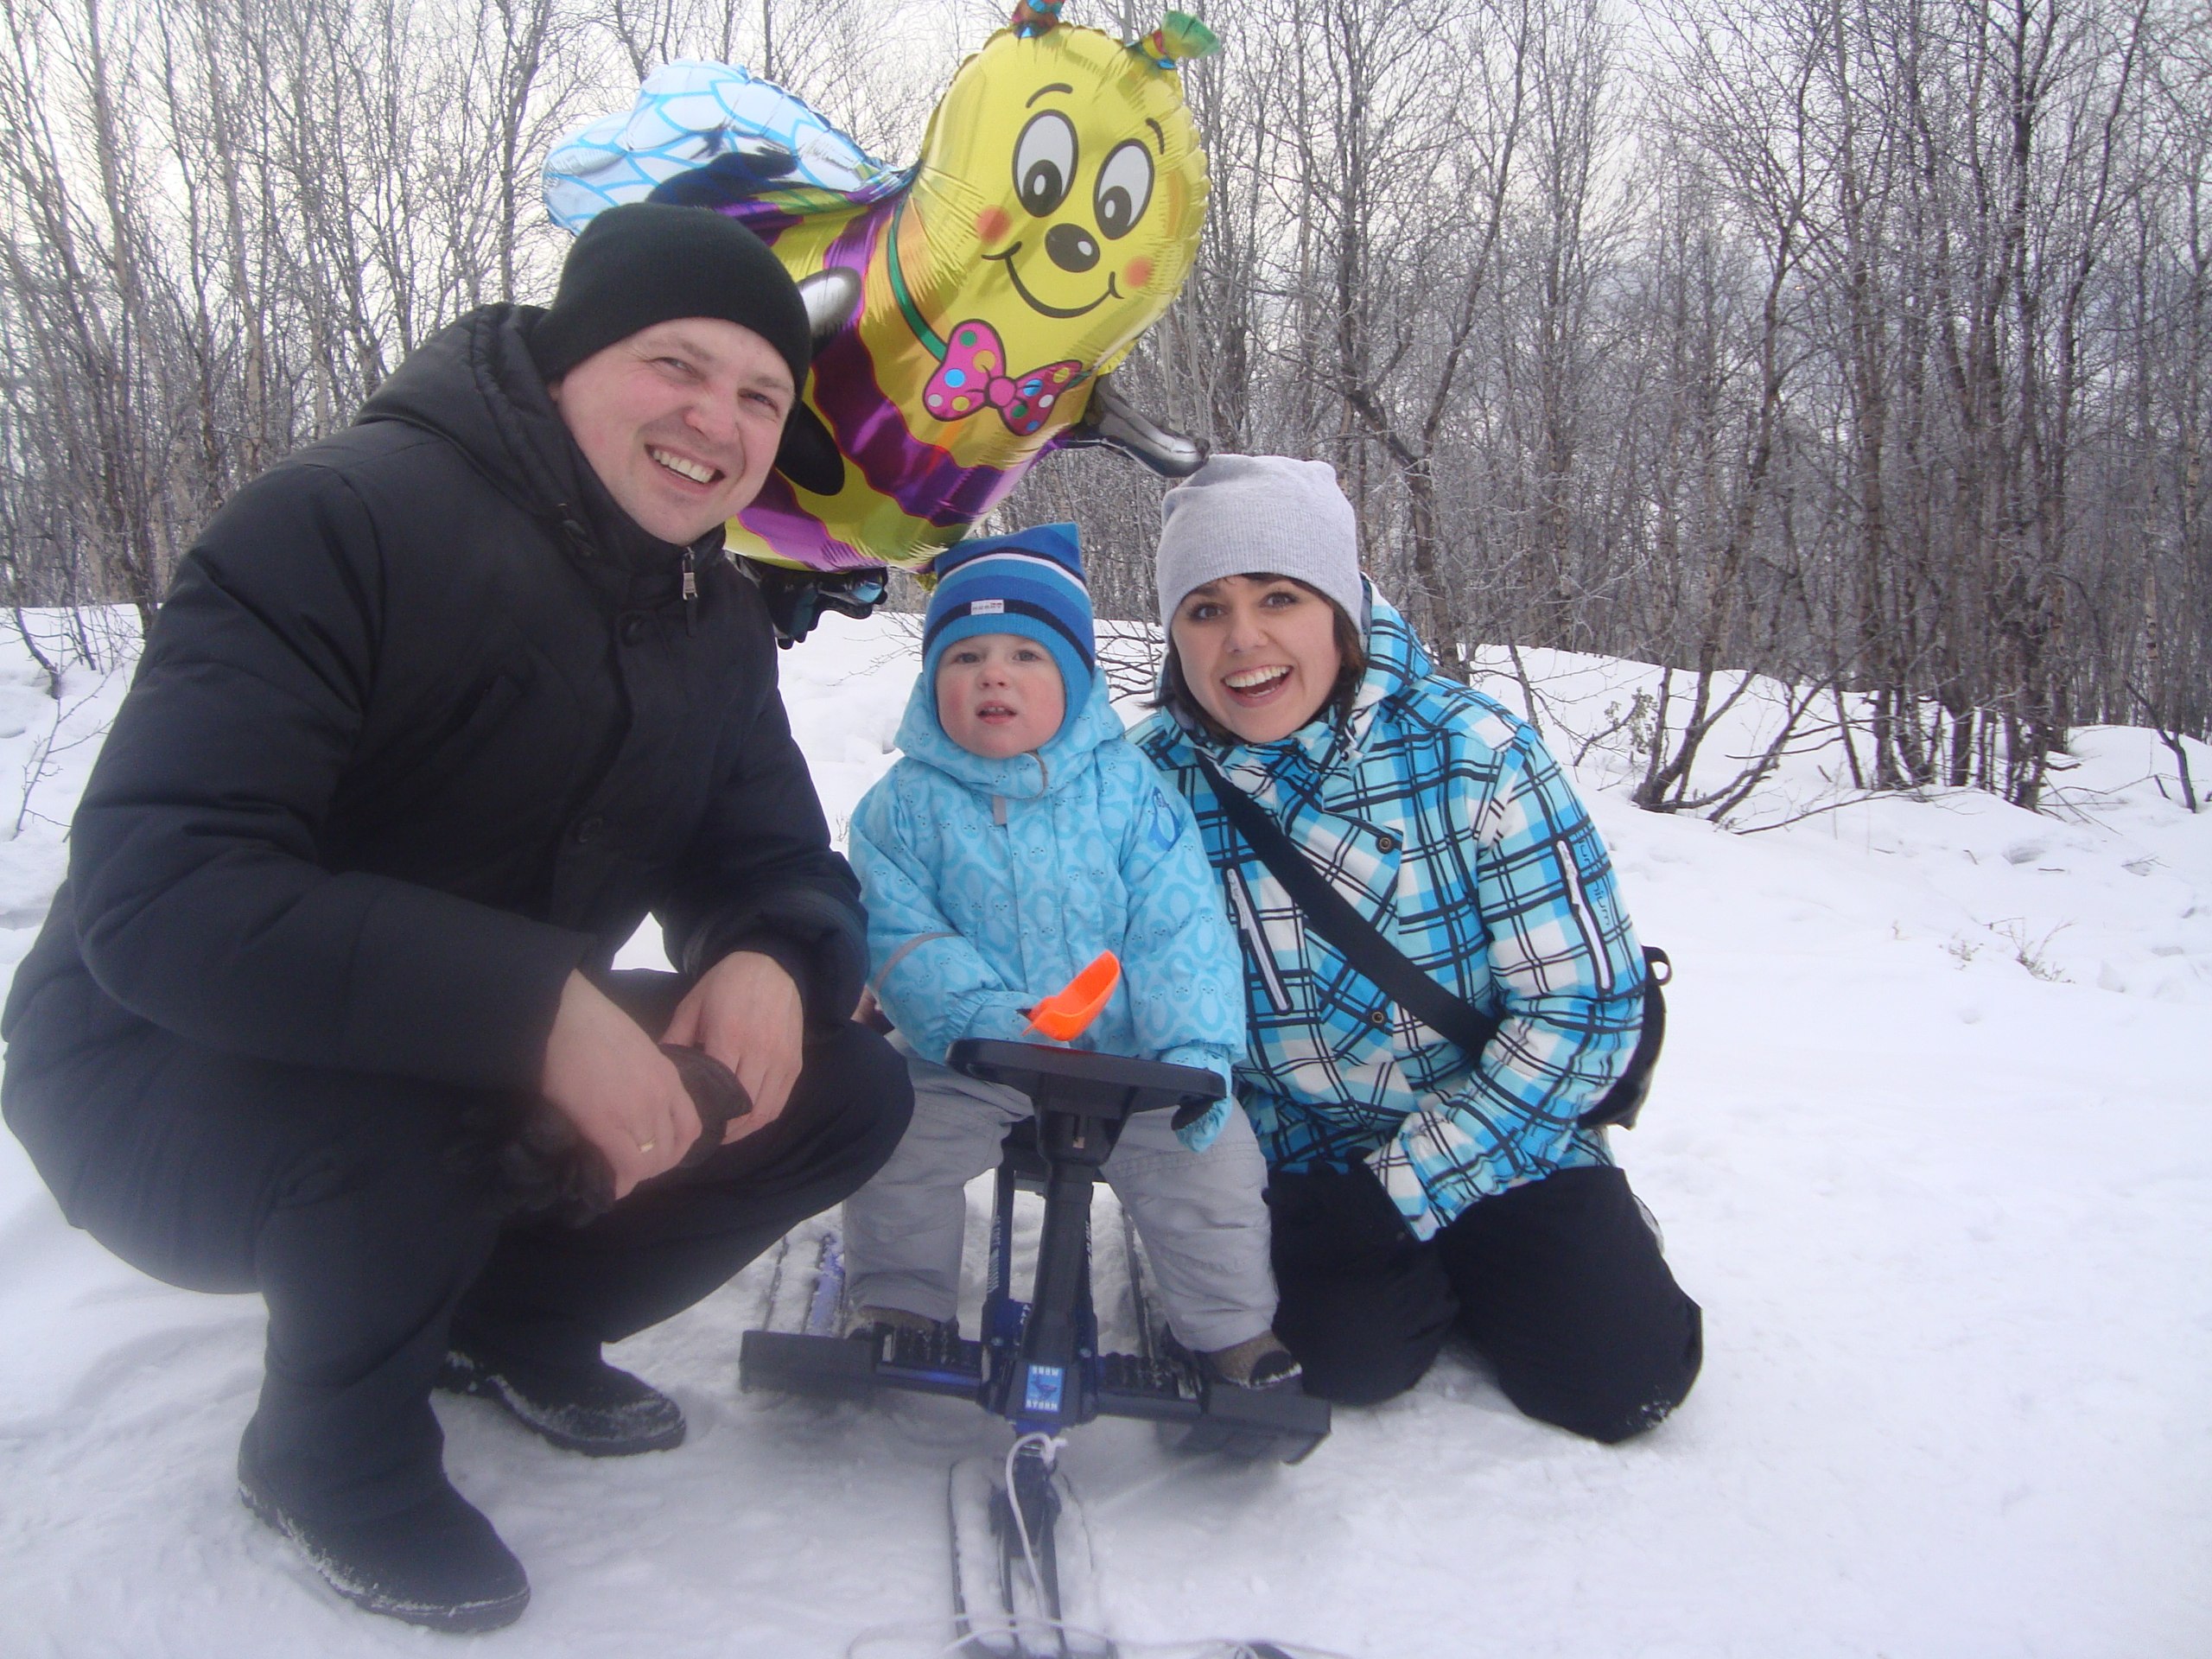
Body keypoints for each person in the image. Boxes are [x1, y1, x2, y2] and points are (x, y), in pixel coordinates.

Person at [0, 202, 912, 1631]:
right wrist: (531, 1010)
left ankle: (505, 1323)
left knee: (844, 1086)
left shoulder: (716, 621)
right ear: (566, 362)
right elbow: (163, 892)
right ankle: (328, 1453)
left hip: (462, 1058)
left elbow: (776, 858)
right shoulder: (340, 521)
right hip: (151, 1074)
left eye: (757, 395)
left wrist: (774, 954)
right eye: (675, 365)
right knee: (428, 1096)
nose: (715, 421)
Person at [1131, 454, 1701, 1441]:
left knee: (1622, 1379)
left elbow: (1583, 1008)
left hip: (1498, 1126)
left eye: (1278, 597)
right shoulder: (1145, 786)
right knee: (1341, 1361)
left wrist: (1402, 1190)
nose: (1244, 639)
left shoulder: (1475, 753)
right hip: (1300, 1152)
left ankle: (1538, 1249)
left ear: (1342, 612)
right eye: (1205, 609)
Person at [839, 526, 1298, 1389]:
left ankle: (1231, 1330)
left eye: (1026, 655)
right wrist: (983, 1020)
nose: (994, 676)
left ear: (1077, 680)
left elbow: (1179, 928)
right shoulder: (899, 809)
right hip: (969, 1053)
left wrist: (1195, 1051)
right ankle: (899, 1302)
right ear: (931, 679)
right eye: (965, 656)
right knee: (894, 1138)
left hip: (1127, 1058)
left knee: (1213, 1166)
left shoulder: (1131, 796)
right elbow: (900, 935)